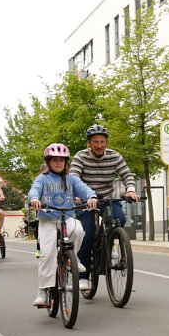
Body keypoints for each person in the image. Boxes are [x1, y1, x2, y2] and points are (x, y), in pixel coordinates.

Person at [69, 124, 139, 291]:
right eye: (95, 142)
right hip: (86, 200)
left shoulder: (114, 156)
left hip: (107, 198)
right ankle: (84, 278)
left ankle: (107, 242)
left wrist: (130, 189)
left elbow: (127, 174)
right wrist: (77, 195)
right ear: (89, 143)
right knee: (87, 232)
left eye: (102, 142)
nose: (99, 145)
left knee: (119, 219)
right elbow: (73, 177)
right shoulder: (81, 157)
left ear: (106, 142)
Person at [28, 143, 97, 307]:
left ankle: (73, 259)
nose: (58, 163)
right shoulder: (42, 178)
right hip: (47, 220)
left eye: (62, 160)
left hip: (67, 217)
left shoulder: (72, 179)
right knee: (47, 254)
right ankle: (43, 292)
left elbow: (84, 189)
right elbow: (34, 190)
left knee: (79, 230)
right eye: (54, 160)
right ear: (48, 162)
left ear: (66, 162)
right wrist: (35, 199)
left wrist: (91, 197)